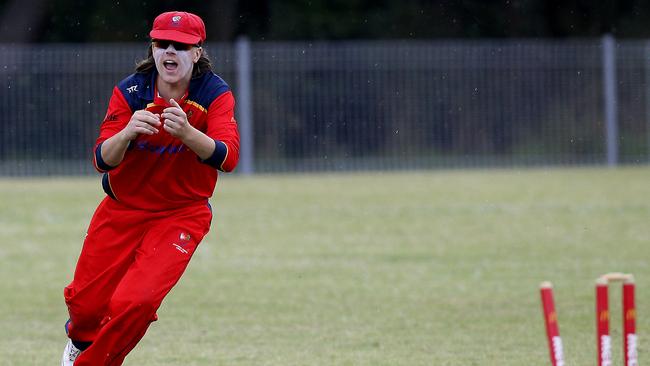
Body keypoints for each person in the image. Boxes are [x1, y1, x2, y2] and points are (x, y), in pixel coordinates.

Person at [61, 10, 240, 365]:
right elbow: (101, 159)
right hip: (122, 209)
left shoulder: (214, 93)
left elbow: (228, 157)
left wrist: (188, 134)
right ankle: (80, 343)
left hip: (181, 215)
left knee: (135, 303)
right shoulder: (131, 91)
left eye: (181, 45)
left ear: (197, 52)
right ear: (153, 47)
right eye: (162, 43)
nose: (169, 51)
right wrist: (127, 132)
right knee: (86, 307)